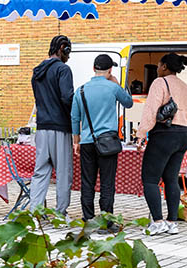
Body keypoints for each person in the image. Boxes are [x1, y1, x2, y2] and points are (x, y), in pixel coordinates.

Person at [70, 54, 133, 230]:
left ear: (93, 69)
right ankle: (107, 220)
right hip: (108, 142)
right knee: (107, 182)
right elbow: (128, 103)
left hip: (87, 143)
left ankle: (88, 218)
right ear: (110, 70)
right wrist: (116, 83)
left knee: (87, 181)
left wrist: (76, 141)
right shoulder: (113, 88)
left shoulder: (81, 90)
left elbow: (74, 117)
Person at [135, 53, 187, 235]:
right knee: (171, 178)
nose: (157, 69)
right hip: (183, 135)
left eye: (159, 65)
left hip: (164, 135)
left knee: (150, 179)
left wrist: (141, 133)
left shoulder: (160, 83)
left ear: (165, 67)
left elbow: (151, 110)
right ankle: (172, 222)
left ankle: (158, 221)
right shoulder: (186, 87)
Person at [29, 35, 75, 216]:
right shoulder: (63, 70)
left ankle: (35, 212)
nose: (68, 56)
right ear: (63, 48)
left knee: (40, 172)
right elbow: (67, 98)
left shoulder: (37, 71)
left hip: (41, 127)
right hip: (60, 127)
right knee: (63, 173)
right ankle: (60, 212)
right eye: (68, 51)